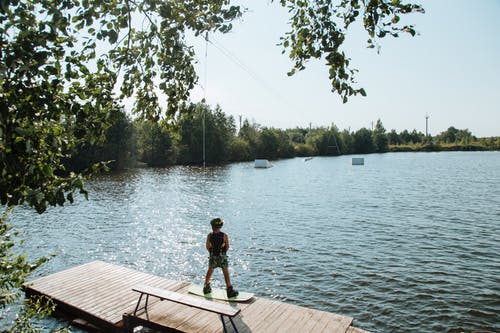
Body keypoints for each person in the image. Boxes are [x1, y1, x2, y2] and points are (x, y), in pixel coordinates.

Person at [203, 217, 239, 298]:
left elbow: (207, 246)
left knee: (210, 269)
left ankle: (206, 286)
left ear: (212, 226)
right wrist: (223, 253)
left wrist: (211, 253)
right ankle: (229, 290)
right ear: (221, 226)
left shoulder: (209, 235)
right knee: (225, 272)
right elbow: (227, 246)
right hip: (222, 255)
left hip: (213, 255)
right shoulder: (224, 235)